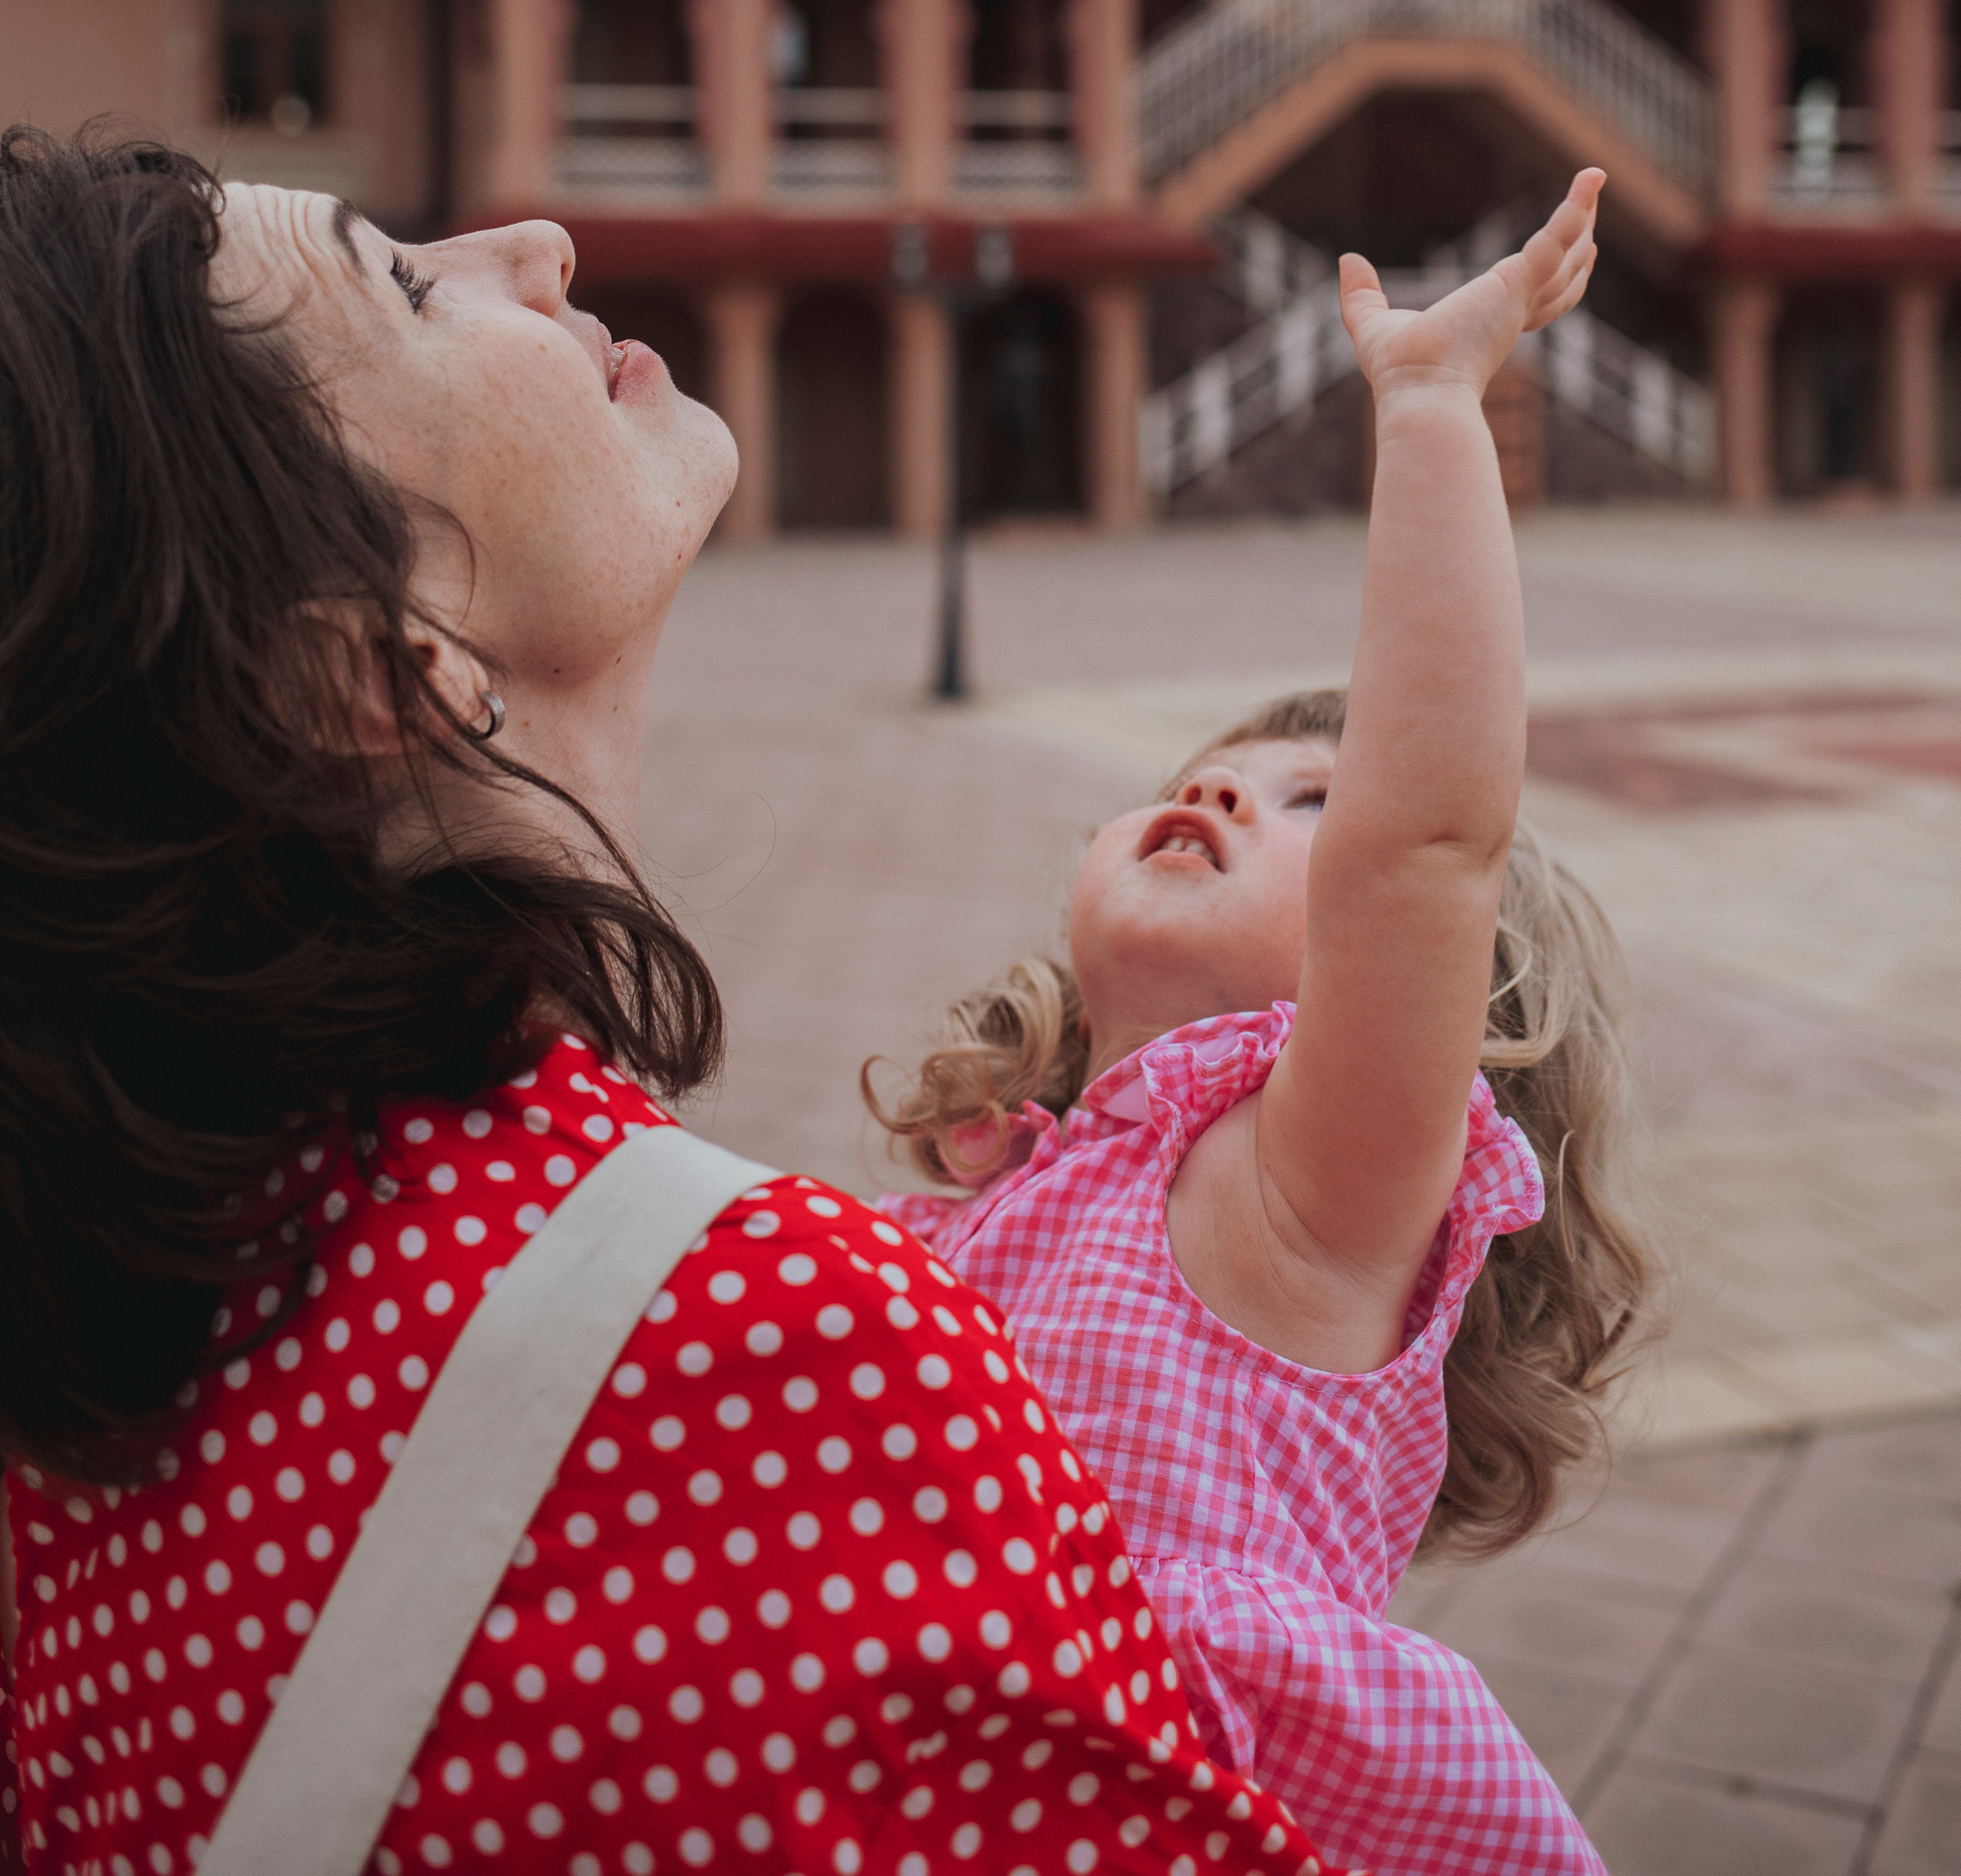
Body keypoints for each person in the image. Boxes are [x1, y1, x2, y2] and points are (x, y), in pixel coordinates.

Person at [0, 126, 1331, 1876]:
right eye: (405, 282)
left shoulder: (107, 1340)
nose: (532, 241)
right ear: (362, 669)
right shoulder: (759, 1349)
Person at [867, 172, 1664, 1876]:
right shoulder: (1031, 1173)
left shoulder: (1309, 1192)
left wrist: (1435, 407)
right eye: (1200, 778)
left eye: (1310, 800)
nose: (1225, 783)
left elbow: (1426, 841)